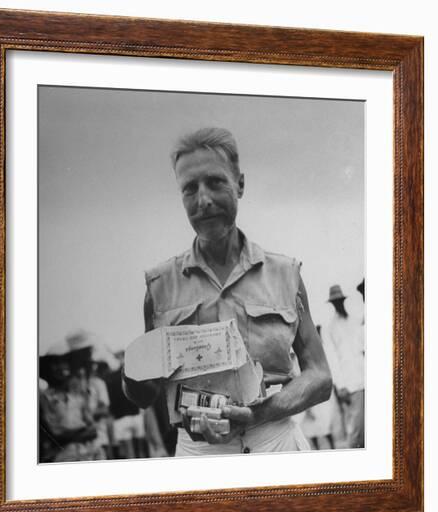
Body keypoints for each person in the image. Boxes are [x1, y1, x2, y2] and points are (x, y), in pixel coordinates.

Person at [123, 127, 332, 456]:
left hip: (275, 443)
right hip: (197, 454)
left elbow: (320, 376)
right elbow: (145, 394)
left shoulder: (285, 274)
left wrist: (256, 415)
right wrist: (131, 375)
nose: (203, 200)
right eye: (189, 189)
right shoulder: (160, 286)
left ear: (240, 184)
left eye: (215, 182)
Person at [324, 284, 365, 448]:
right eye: (335, 302)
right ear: (332, 304)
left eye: (340, 300)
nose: (338, 304)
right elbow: (332, 359)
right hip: (351, 385)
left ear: (343, 301)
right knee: (356, 429)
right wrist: (340, 386)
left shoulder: (354, 320)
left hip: (365, 377)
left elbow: (363, 347)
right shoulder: (329, 328)